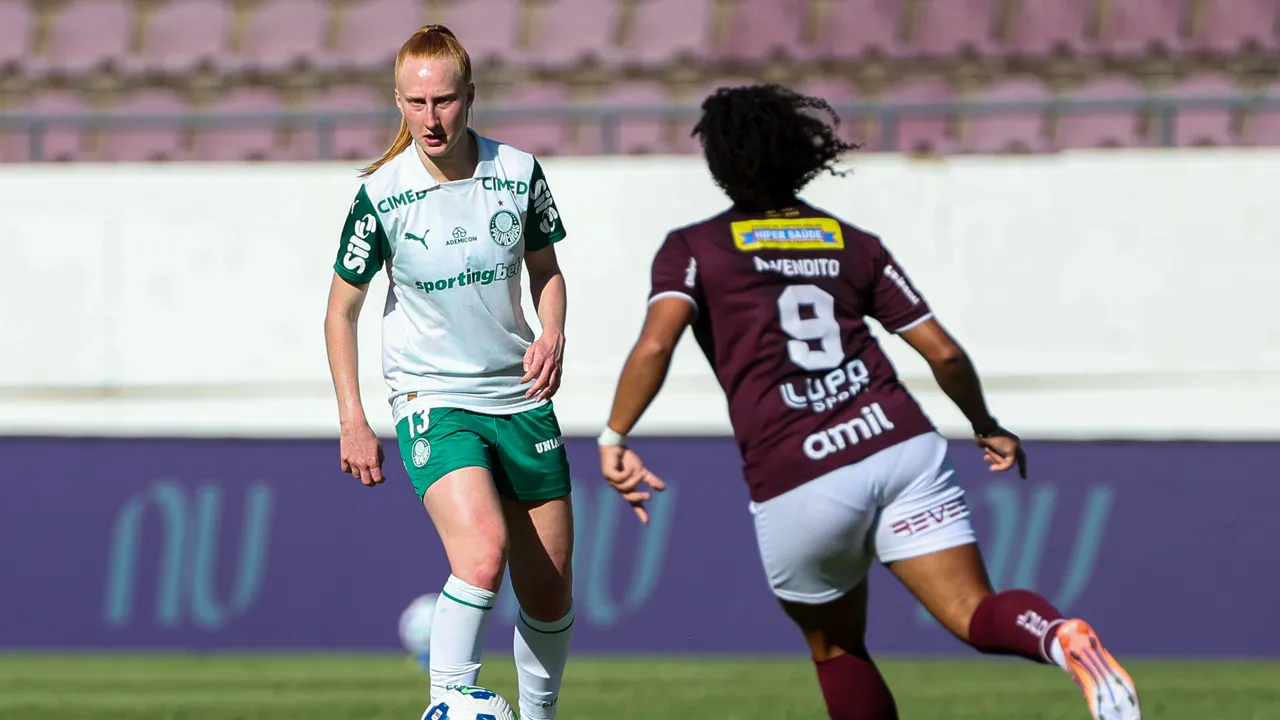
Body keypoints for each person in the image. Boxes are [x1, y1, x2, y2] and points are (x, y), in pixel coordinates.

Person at [596, 84, 1141, 720]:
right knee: (973, 610)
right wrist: (986, 425)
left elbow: (656, 345)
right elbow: (944, 354)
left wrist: (615, 437)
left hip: (799, 469)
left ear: (719, 162)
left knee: (835, 646)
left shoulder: (694, 247)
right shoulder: (854, 243)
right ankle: (1059, 636)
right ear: (800, 155)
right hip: (898, 443)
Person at [323, 25, 574, 720]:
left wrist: (552, 331)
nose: (430, 118)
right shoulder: (381, 196)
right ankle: (445, 706)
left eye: (443, 101)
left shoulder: (517, 172)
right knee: (483, 556)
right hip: (433, 398)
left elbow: (547, 272)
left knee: (549, 592)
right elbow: (340, 312)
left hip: (519, 396)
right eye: (415, 102)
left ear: (470, 97)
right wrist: (353, 418)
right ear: (398, 102)